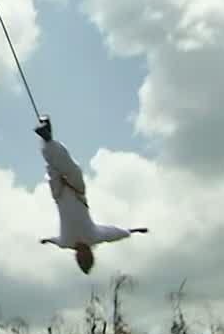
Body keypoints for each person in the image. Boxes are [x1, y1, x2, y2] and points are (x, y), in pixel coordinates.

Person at [34, 117, 147, 274]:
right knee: (73, 169)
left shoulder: (66, 242)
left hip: (59, 192)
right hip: (76, 189)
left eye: (80, 257)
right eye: (85, 255)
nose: (82, 253)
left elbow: (56, 241)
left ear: (76, 257)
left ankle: (46, 138)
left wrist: (47, 240)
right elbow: (114, 233)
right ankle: (48, 138)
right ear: (90, 253)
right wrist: (132, 231)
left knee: (52, 166)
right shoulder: (94, 237)